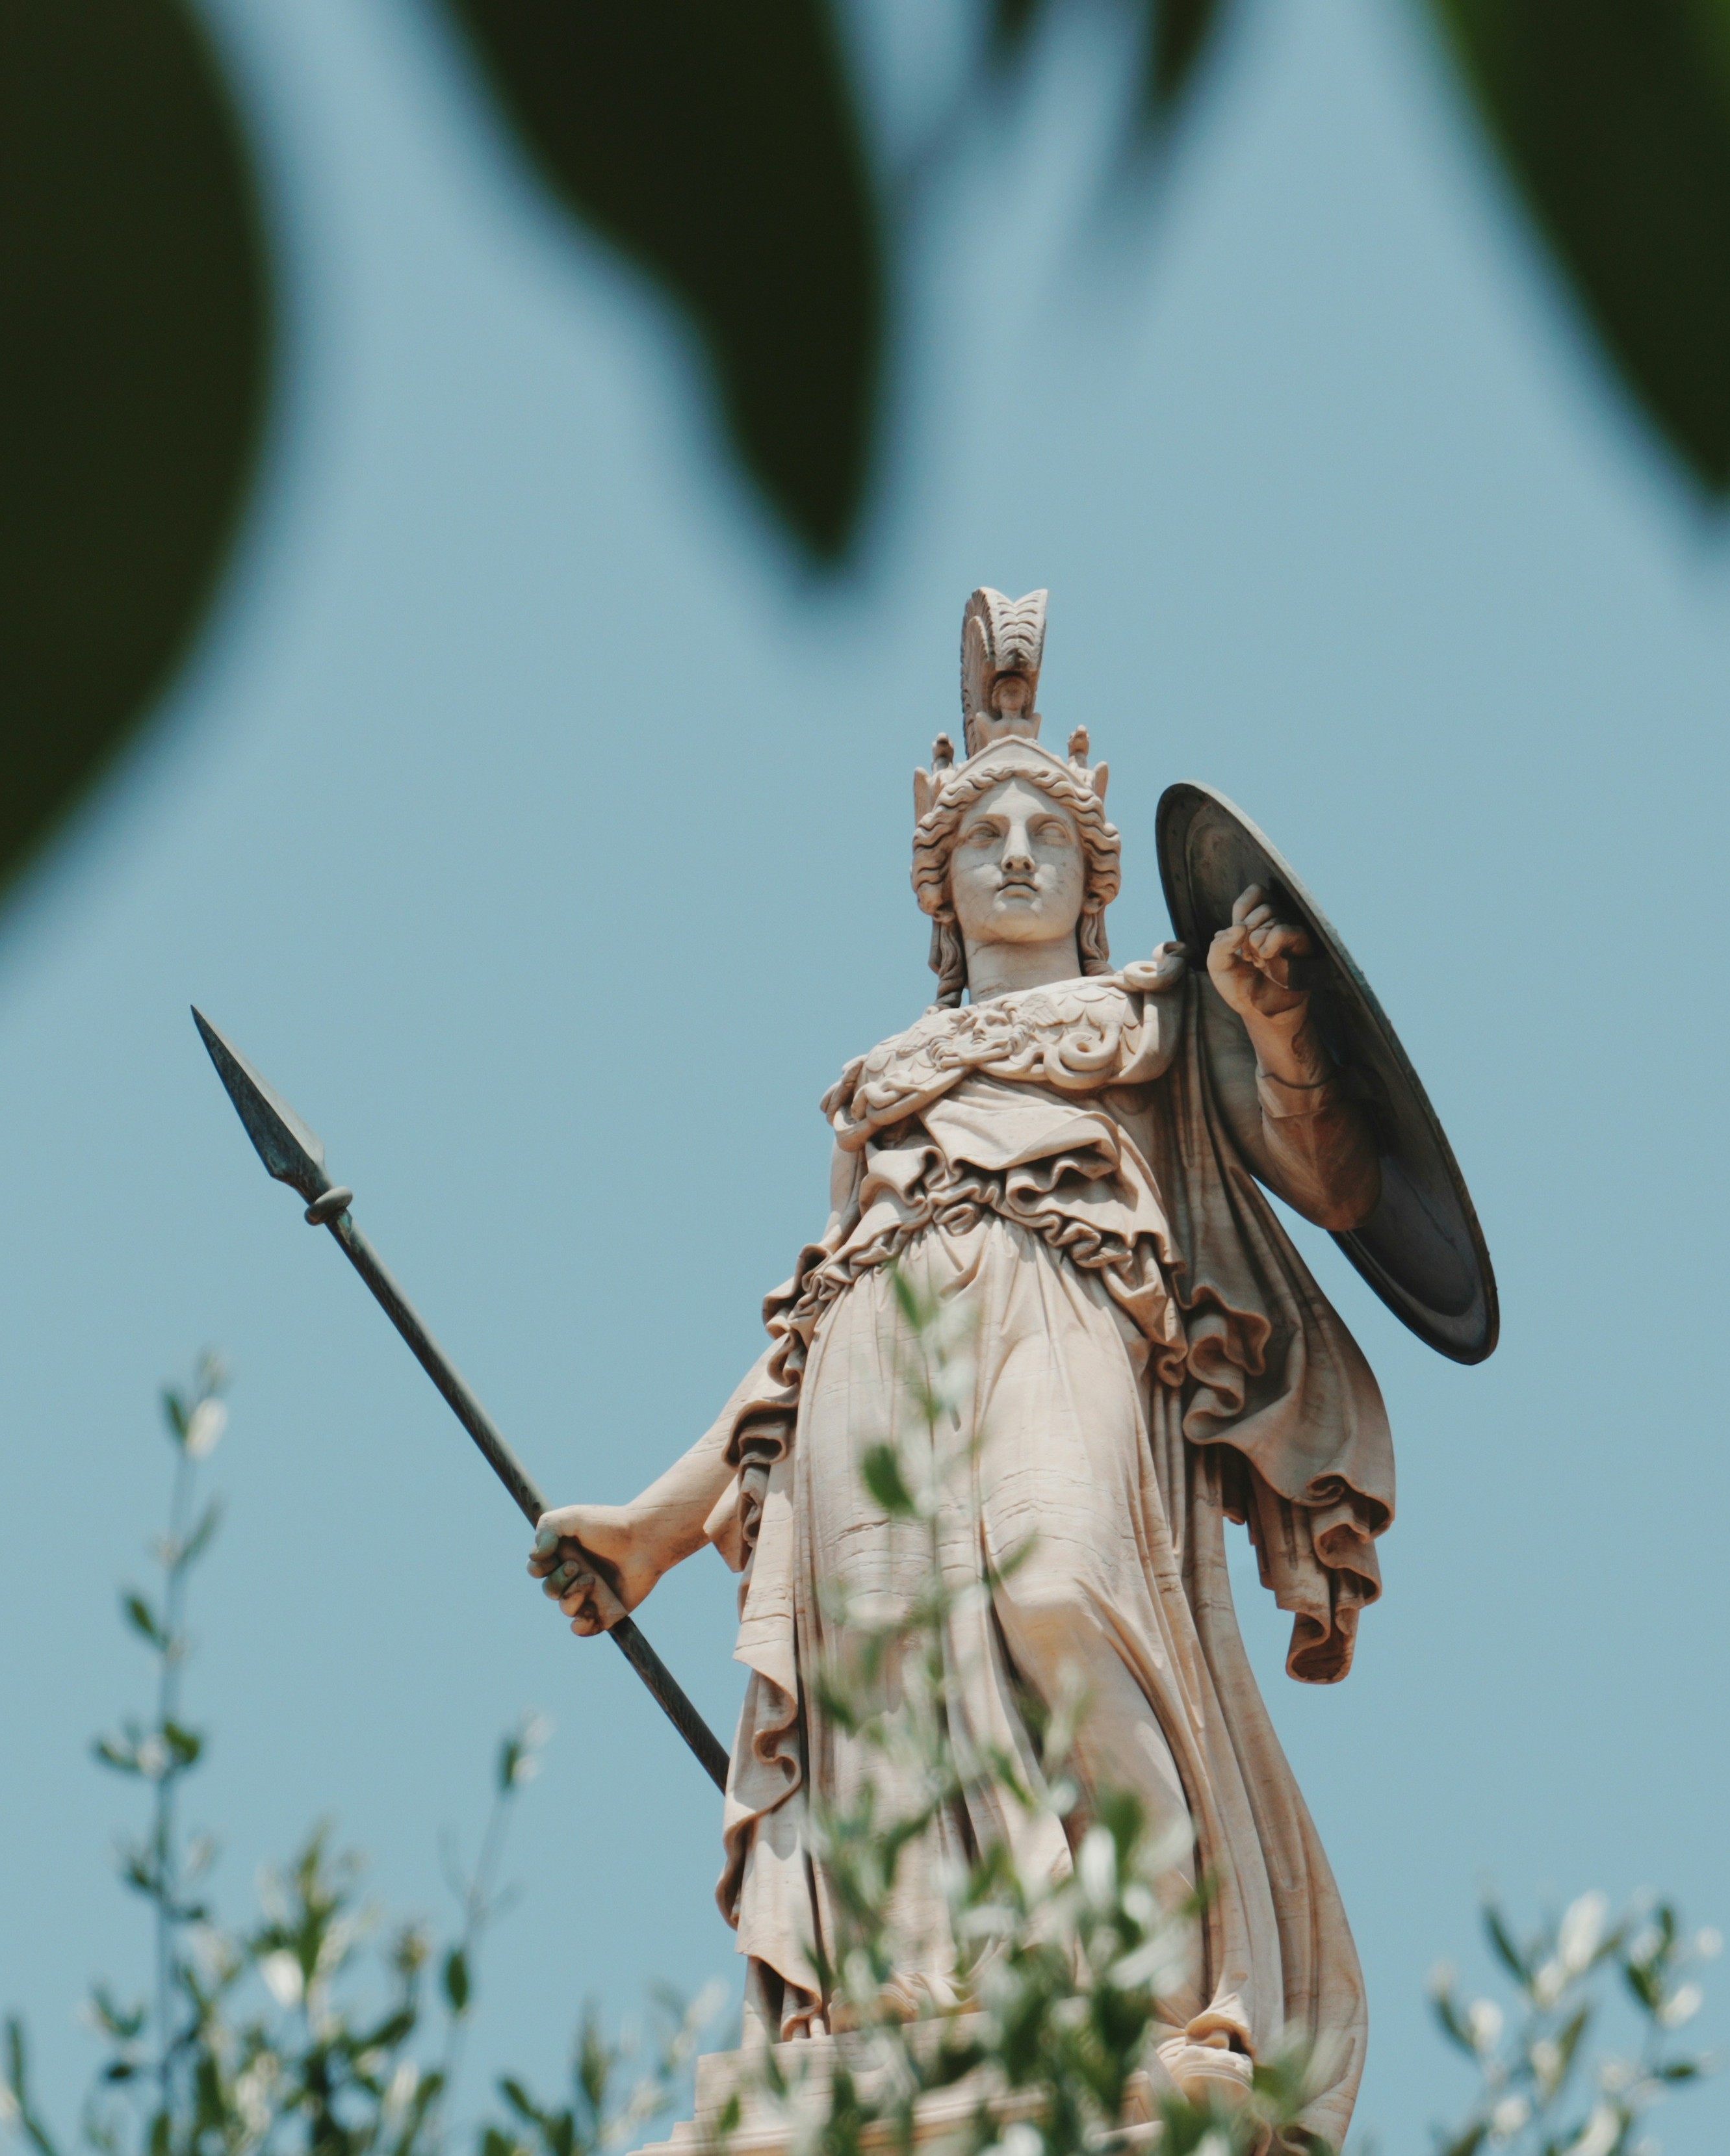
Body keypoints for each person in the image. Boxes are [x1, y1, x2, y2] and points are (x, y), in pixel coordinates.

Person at [532, 589, 1395, 2145]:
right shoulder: (884, 1088)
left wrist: (1279, 1034)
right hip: (882, 1343)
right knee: (882, 1655)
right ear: (938, 890)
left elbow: (1333, 1183)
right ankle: (915, 1998)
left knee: (1059, 1590)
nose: (1012, 853)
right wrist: (652, 1530)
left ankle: (1143, 1987)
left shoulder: (1150, 1018)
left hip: (1066, 1306)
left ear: (1090, 879)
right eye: (981, 835)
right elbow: (799, 1339)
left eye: (1044, 835)